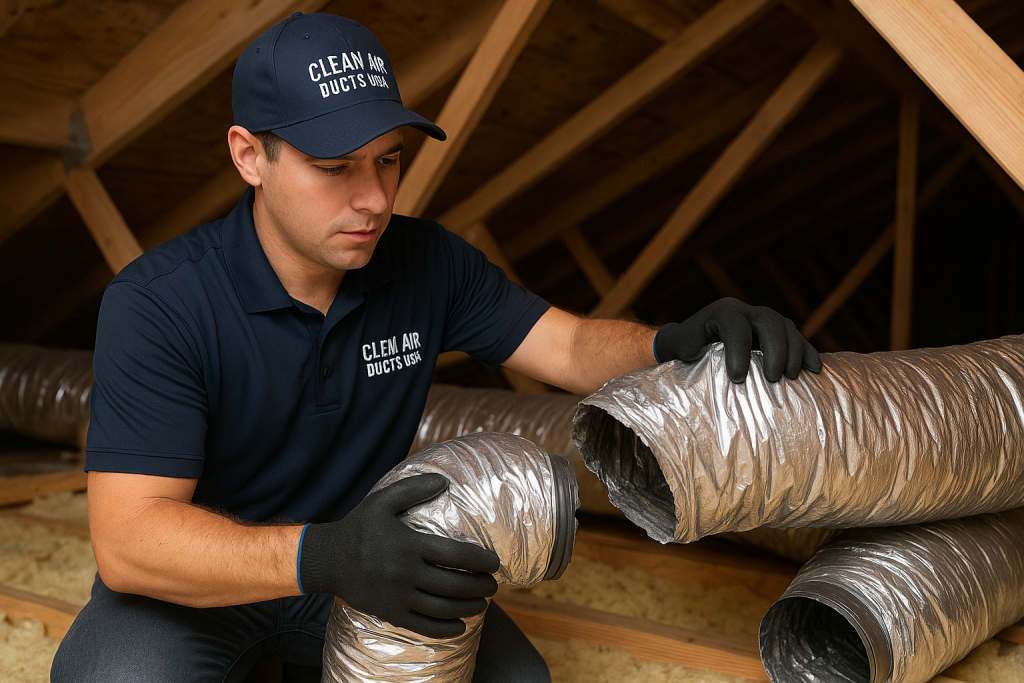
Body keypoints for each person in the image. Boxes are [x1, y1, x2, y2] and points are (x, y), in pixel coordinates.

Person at [51, 12, 820, 683]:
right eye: (334, 168)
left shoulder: (428, 263)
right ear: (250, 155)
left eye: (389, 158)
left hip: (375, 565)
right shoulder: (159, 302)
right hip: (204, 583)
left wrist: (673, 343)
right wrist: (323, 555)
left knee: (518, 678)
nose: (376, 198)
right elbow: (130, 541)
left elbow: (571, 346)